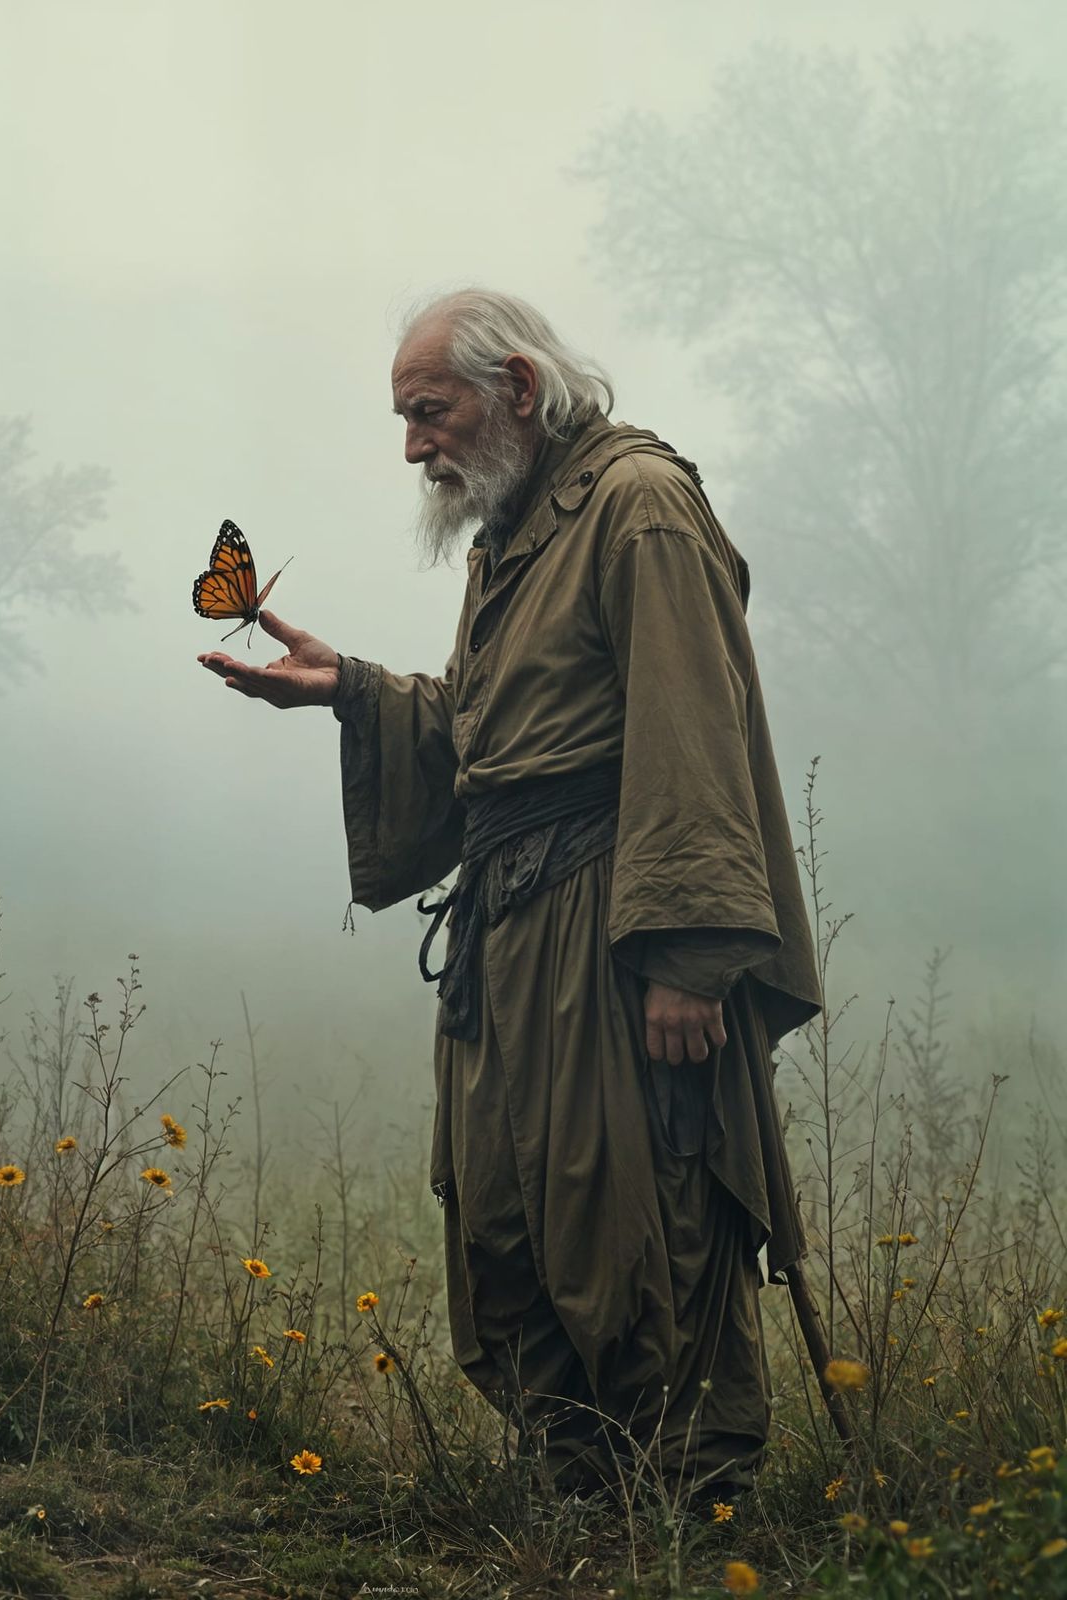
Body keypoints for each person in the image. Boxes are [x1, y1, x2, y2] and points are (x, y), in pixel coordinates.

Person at [196, 287, 822, 1499]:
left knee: (637, 1212)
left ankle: (689, 1510)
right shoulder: (515, 527)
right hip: (511, 936)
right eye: (406, 418)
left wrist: (689, 957)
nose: (413, 447)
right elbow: (501, 737)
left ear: (518, 389)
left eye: (429, 412)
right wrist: (350, 688)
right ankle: (576, 1492)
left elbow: (690, 730)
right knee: (506, 1212)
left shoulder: (637, 507)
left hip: (618, 934)